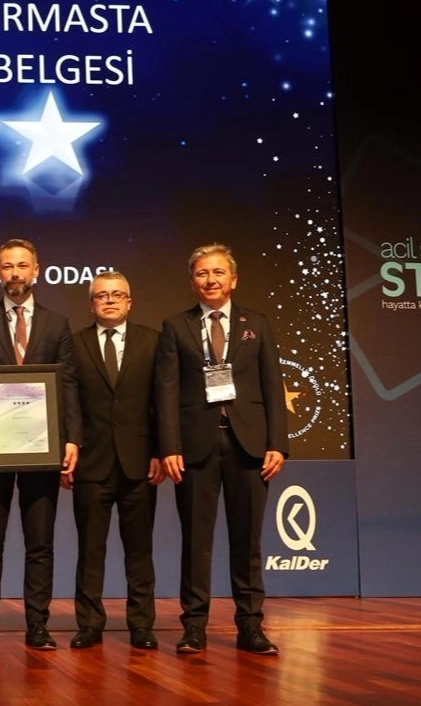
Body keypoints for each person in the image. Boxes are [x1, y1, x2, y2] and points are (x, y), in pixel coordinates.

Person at [156, 243, 288, 656]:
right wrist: (169, 446)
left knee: (247, 542)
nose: (210, 280)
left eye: (217, 272)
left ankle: (250, 626)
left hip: (249, 446)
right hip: (195, 447)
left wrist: (277, 444)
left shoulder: (257, 324)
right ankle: (194, 626)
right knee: (196, 541)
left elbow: (273, 385)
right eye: (202, 273)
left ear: (233, 279)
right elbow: (166, 391)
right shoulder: (175, 326)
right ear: (192, 281)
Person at [0, 238, 83, 651]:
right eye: (8, 266)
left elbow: (68, 385)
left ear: (36, 271)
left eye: (22, 265)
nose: (15, 273)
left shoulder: (56, 324)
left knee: (40, 543)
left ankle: (38, 626)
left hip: (42, 449)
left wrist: (72, 439)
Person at [66, 271, 164, 651]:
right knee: (90, 551)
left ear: (129, 302)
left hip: (139, 463)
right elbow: (68, 404)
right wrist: (68, 451)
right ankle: (89, 624)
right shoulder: (75, 344)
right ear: (91, 304)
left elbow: (162, 402)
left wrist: (159, 451)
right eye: (101, 296)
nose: (109, 301)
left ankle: (141, 625)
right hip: (91, 464)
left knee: (140, 551)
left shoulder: (152, 342)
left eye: (117, 295)